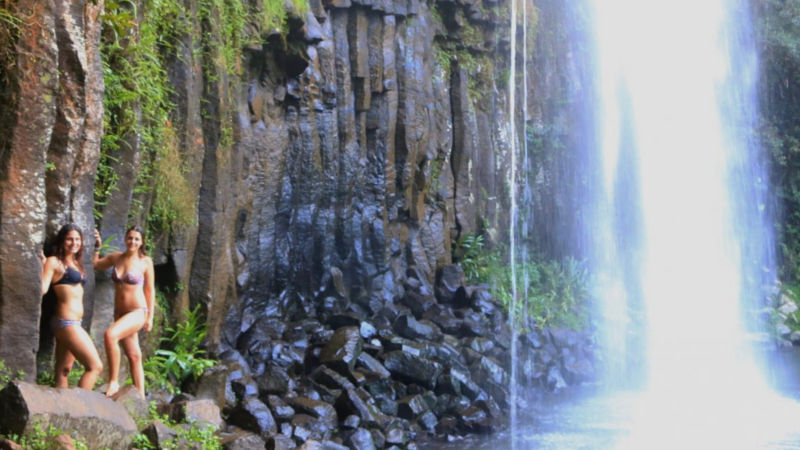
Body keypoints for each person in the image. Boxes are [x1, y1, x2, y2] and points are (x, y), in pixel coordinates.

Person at [93, 226, 154, 398]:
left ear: (142, 242)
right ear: (125, 239)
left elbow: (150, 290)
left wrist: (150, 317)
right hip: (120, 313)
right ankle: (141, 400)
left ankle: (113, 381)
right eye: (130, 238)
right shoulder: (116, 257)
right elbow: (96, 265)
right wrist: (97, 246)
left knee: (110, 335)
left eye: (136, 239)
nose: (132, 241)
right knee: (134, 356)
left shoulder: (145, 262)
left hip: (137, 312)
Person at [40, 223, 104, 390]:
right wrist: (41, 263)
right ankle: (81, 410)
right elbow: (43, 288)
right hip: (65, 322)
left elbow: (96, 264)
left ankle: (61, 408)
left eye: (77, 239)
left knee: (64, 370)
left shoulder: (77, 263)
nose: (74, 242)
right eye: (69, 239)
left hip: (75, 323)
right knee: (95, 366)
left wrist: (97, 248)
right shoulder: (54, 262)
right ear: (62, 240)